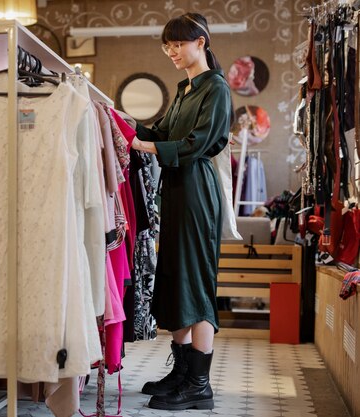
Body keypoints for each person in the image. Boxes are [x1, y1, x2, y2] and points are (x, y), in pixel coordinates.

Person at [130, 12, 231, 411]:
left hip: (195, 193)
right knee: (174, 279)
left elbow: (195, 144)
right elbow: (162, 134)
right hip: (175, 192)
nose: (171, 51)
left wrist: (142, 146)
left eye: (178, 44)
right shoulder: (186, 88)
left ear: (200, 42)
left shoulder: (216, 88)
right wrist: (126, 125)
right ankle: (182, 374)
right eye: (167, 46)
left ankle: (199, 385)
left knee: (197, 282)